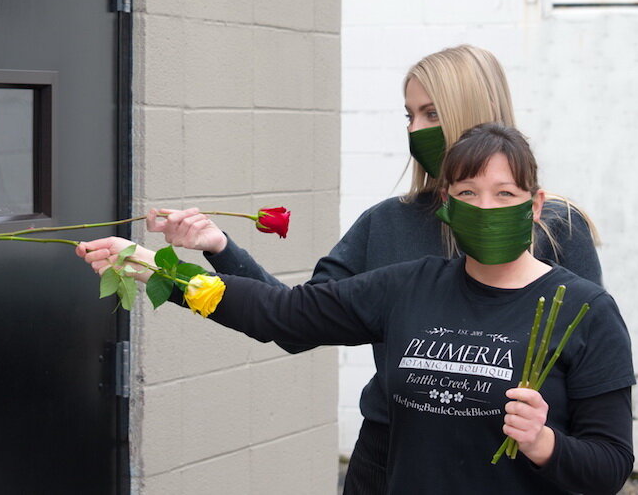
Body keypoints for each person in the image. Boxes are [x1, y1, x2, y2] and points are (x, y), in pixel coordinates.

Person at [129, 45, 602, 494]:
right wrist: (219, 247)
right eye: (410, 115)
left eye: (432, 114)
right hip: (389, 456)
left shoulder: (555, 229)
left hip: (512, 465)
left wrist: (552, 448)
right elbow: (296, 321)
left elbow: (590, 382)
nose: (417, 130)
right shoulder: (387, 222)